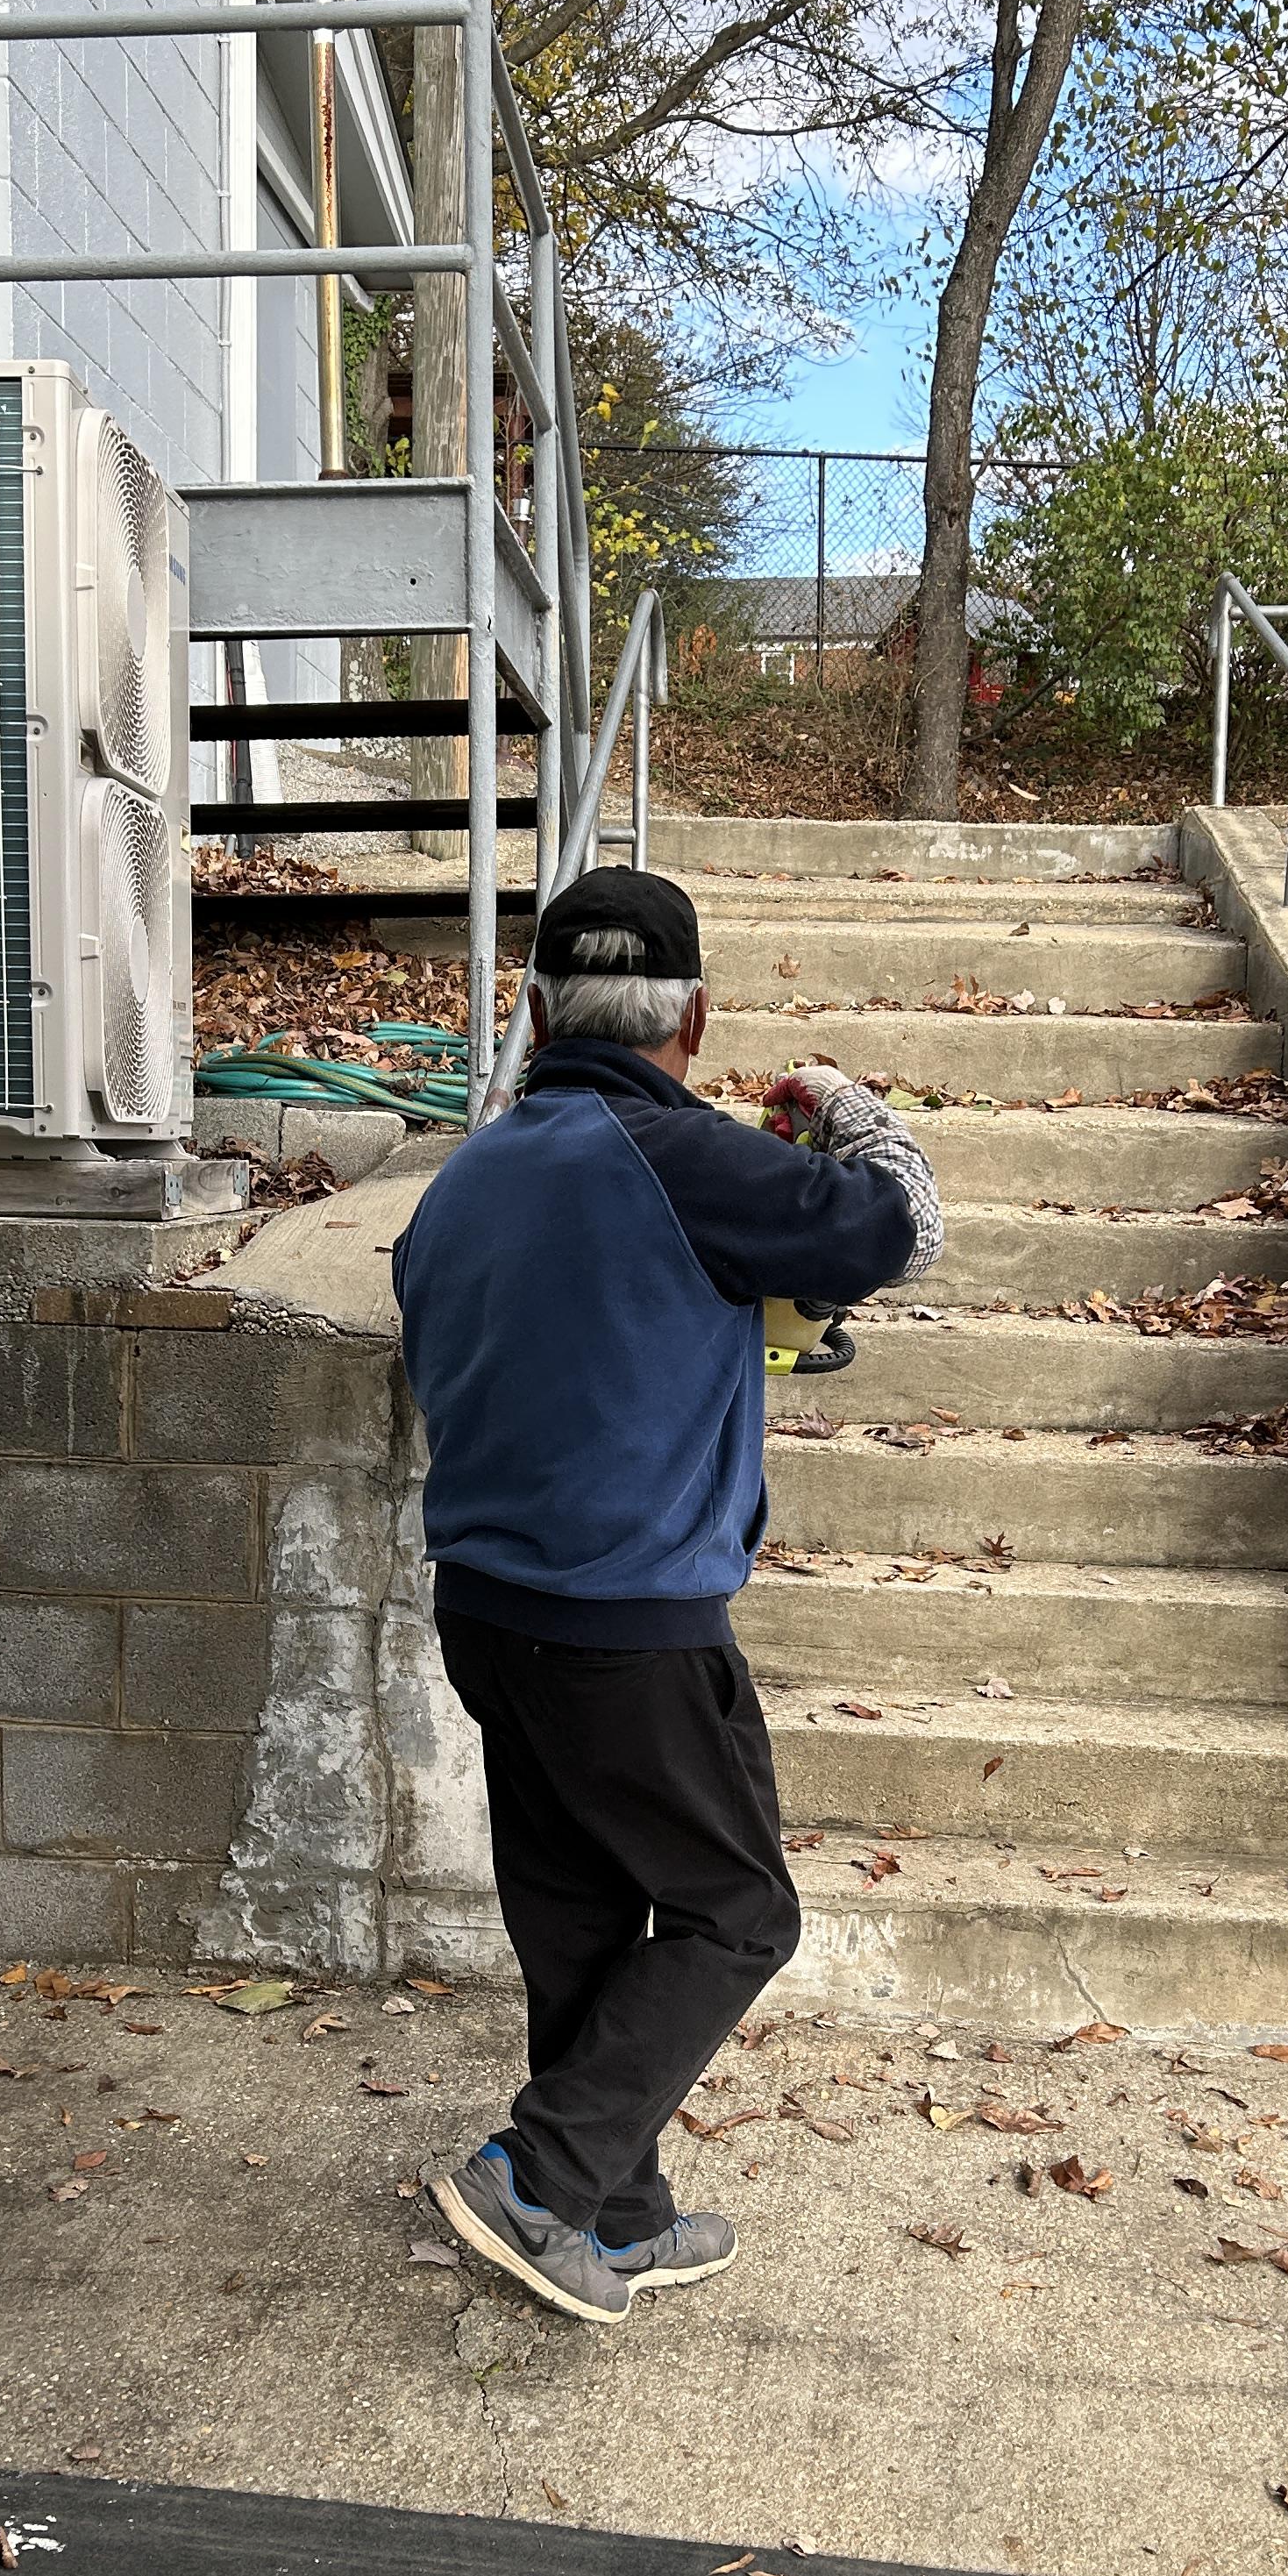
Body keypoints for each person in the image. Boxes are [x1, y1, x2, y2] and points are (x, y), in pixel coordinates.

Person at [391, 866, 944, 2325]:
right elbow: (900, 1227)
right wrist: (845, 1107)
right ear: (695, 1019)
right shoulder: (689, 1160)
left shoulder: (466, 1179)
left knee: (578, 1917)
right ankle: (537, 2177)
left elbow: (507, 1337)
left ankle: (615, 2216)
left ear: (533, 1013)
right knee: (736, 1912)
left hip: (485, 1609)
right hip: (625, 1625)